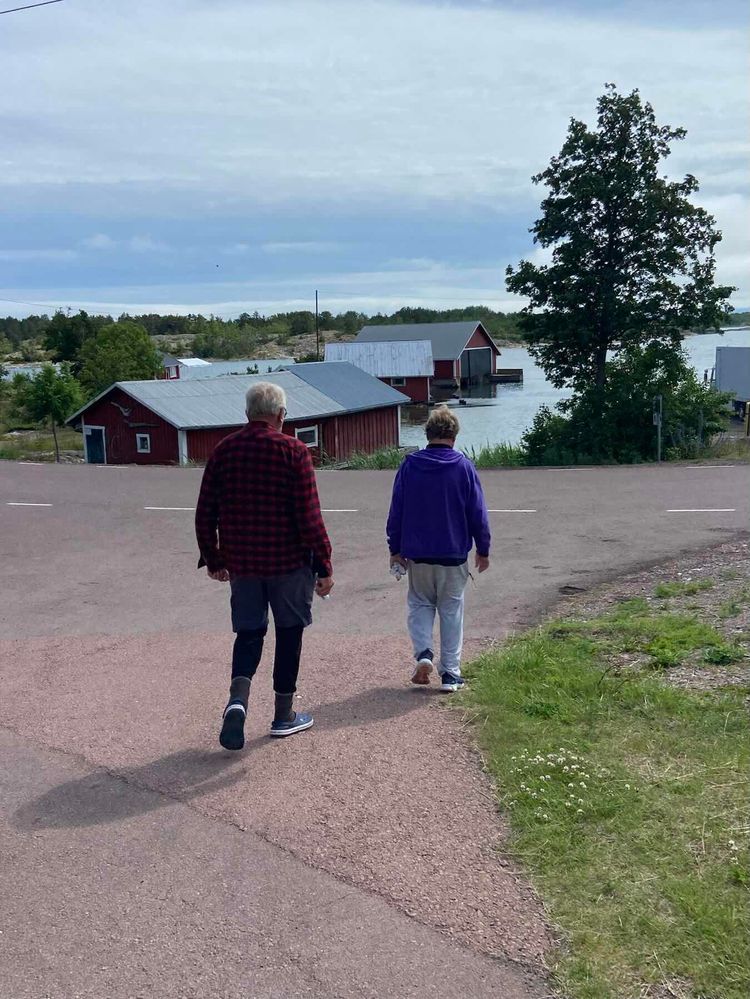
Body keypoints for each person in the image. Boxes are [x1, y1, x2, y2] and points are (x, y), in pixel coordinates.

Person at [195, 381, 333, 749]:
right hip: (288, 563)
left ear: (247, 414)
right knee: (289, 633)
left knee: (249, 633)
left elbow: (205, 511)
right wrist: (324, 564)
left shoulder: (224, 450)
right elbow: (309, 517)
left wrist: (213, 558)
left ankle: (237, 702)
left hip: (243, 564)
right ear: (281, 415)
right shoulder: (295, 451)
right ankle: (283, 715)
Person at [386, 405, 490, 691]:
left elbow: (397, 510)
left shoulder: (409, 465)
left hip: (418, 553)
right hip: (453, 552)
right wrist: (483, 547)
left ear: (427, 433)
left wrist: (395, 548)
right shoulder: (464, 466)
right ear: (454, 435)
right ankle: (451, 673)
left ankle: (423, 653)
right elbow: (477, 512)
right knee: (451, 609)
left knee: (419, 603)